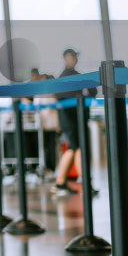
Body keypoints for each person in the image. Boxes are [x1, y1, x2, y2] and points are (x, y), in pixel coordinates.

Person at [53, 48, 82, 195]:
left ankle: (61, 182)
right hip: (70, 119)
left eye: (75, 56)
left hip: (70, 119)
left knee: (74, 148)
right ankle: (63, 182)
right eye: (72, 56)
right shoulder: (68, 76)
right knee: (75, 148)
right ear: (66, 58)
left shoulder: (69, 75)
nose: (75, 59)